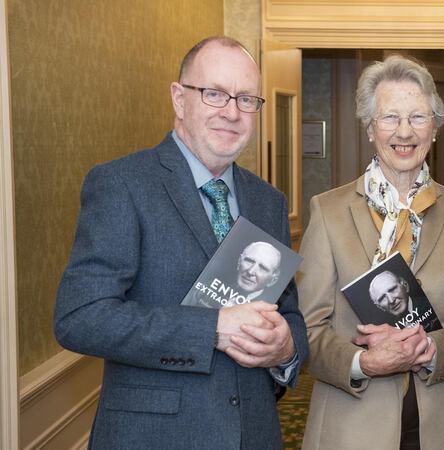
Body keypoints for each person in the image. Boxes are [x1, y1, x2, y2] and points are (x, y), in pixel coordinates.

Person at [53, 36, 308, 450]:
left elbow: (289, 311)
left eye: (246, 99)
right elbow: (80, 318)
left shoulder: (268, 202)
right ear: (179, 98)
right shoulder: (122, 184)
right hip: (155, 437)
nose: (231, 112)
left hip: (254, 433)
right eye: (214, 94)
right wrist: (213, 329)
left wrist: (287, 348)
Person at [297, 55, 444, 450]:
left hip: (442, 430)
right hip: (349, 431)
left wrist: (429, 350)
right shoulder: (328, 212)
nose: (404, 131)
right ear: (370, 127)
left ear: (434, 127)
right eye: (390, 117)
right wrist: (362, 362)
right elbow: (307, 330)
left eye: (418, 117)